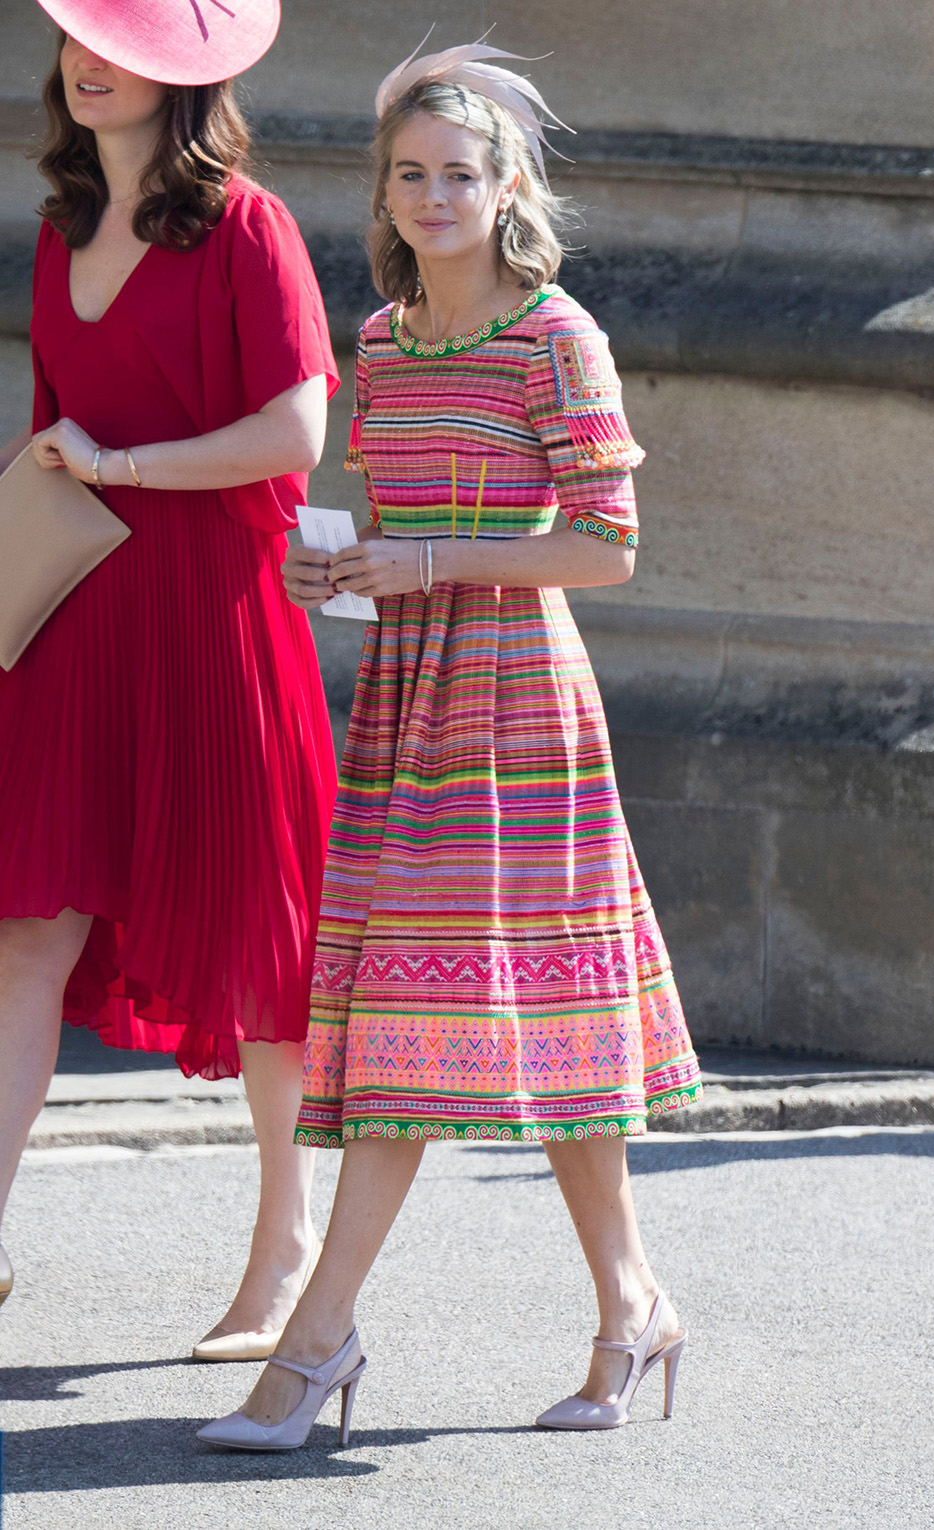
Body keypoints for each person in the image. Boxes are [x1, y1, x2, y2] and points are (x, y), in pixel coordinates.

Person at [198, 39, 702, 1450]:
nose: (432, 196)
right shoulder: (379, 338)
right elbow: (391, 526)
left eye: (459, 174)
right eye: (410, 175)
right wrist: (336, 570)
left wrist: (419, 560)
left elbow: (607, 547)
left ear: (508, 185)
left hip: (523, 710)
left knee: (462, 1022)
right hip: (406, 702)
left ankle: (313, 1344)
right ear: (386, 189)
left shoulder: (559, 335)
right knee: (476, 1018)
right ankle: (633, 1302)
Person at [0, 0, 339, 1360]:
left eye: (127, 46)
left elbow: (300, 430)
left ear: (185, 78)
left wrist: (128, 467)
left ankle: (284, 1244)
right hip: (83, 616)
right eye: (83, 36)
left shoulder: (248, 228)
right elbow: (47, 436)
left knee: (257, 946)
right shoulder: (55, 231)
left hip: (215, 618)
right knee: (27, 929)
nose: (91, 62)